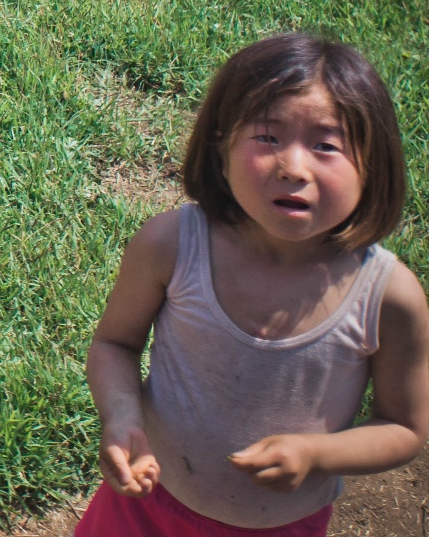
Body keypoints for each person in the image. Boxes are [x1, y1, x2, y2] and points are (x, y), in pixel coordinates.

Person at [83, 34, 429, 537]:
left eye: (326, 145)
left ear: (373, 167)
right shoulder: (172, 246)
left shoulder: (388, 297)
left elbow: (404, 428)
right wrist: (120, 417)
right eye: (267, 137)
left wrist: (316, 454)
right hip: (145, 504)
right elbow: (114, 343)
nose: (293, 166)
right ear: (221, 147)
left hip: (283, 526)